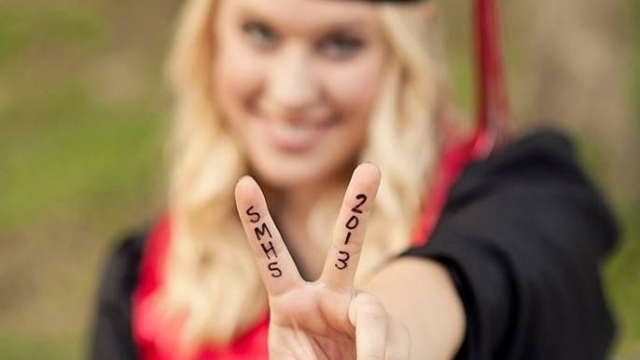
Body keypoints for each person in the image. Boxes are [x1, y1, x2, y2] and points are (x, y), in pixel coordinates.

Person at [90, 0, 619, 359]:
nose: (292, 92)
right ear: (210, 40)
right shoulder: (146, 280)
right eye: (259, 33)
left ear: (401, 50)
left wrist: (390, 326)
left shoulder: (515, 194)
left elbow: (501, 268)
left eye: (340, 44)